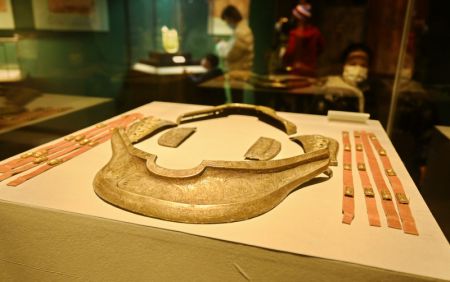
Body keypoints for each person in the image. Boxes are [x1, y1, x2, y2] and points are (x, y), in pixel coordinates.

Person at [319, 43, 372, 113]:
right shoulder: (329, 85)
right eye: (353, 64)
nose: (358, 68)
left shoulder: (373, 90)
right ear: (343, 65)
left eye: (363, 65)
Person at [283, 3, 324, 76]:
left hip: (296, 72)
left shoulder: (294, 34)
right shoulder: (316, 32)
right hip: (311, 71)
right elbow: (321, 48)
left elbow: (290, 51)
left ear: (298, 18)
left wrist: (286, 61)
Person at [216, 5, 254, 72]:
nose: (226, 23)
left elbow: (230, 55)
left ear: (230, 18)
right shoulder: (241, 30)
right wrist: (224, 43)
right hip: (239, 70)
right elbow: (234, 47)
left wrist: (219, 44)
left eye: (226, 20)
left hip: (239, 71)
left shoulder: (240, 33)